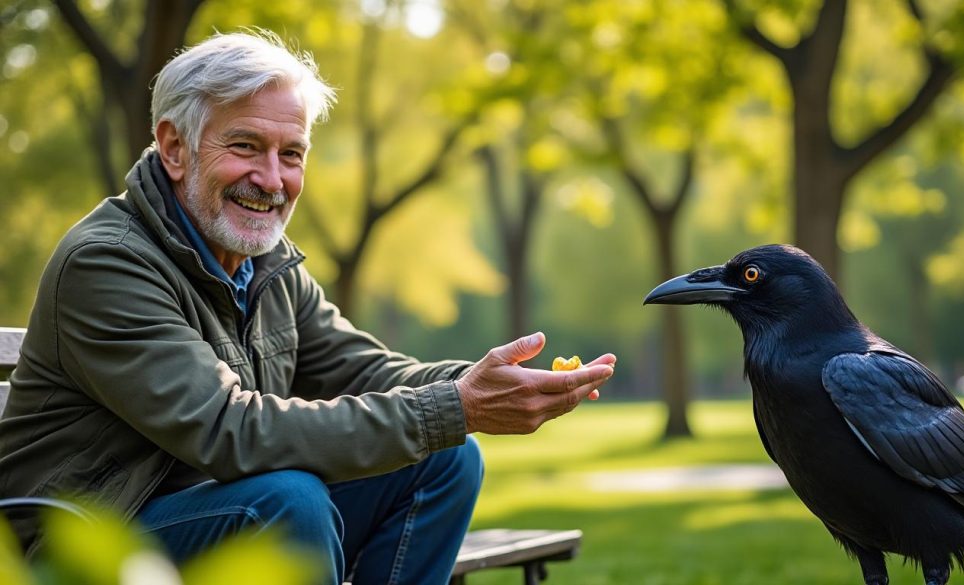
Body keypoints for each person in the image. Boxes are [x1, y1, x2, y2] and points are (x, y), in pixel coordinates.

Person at [0, 30, 615, 584]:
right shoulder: (107, 262)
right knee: (288, 501)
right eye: (246, 146)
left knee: (446, 455)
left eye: (291, 154)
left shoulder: (264, 263)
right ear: (175, 148)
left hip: (210, 506)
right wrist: (456, 406)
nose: (272, 180)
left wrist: (479, 386)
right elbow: (230, 432)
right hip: (82, 544)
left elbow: (367, 371)